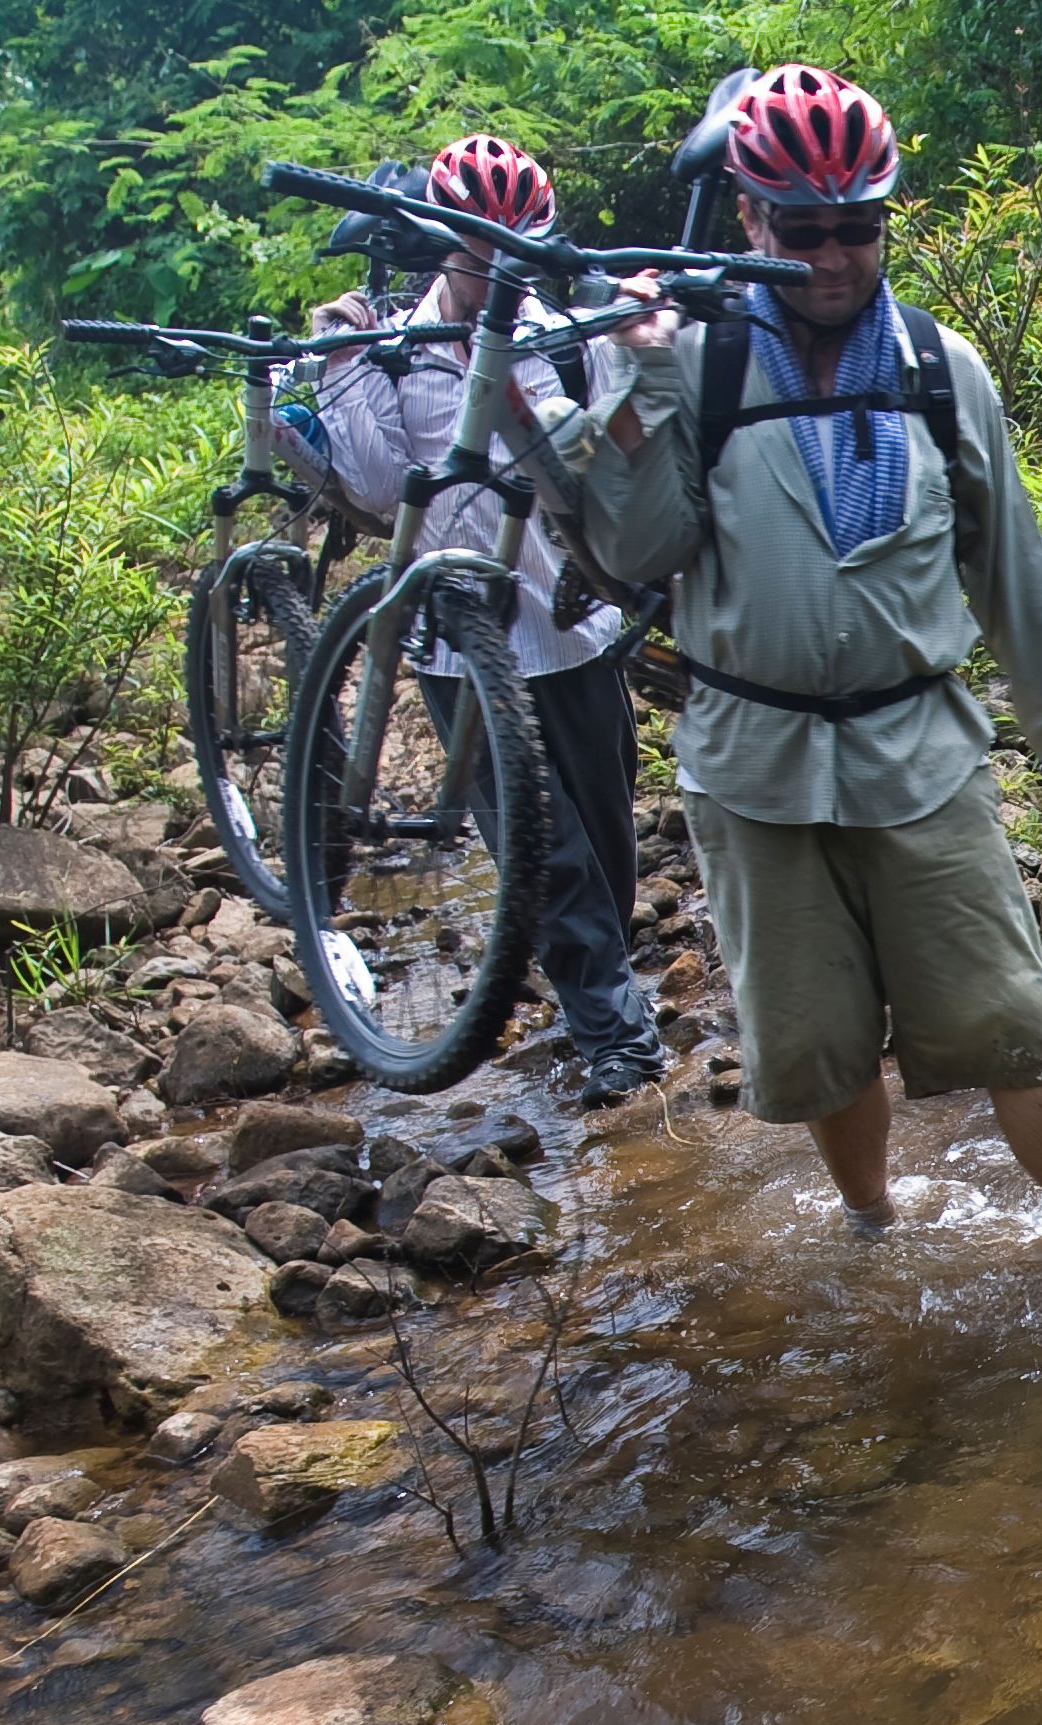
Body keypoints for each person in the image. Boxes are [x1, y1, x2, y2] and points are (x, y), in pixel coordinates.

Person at [579, 64, 1042, 1251]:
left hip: (918, 748)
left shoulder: (942, 369)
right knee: (816, 1038)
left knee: (1011, 1019)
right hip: (752, 761)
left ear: (885, 223)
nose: (832, 259)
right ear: (747, 218)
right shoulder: (697, 361)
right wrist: (633, 377)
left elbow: (1009, 568)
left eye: (857, 231)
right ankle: (872, 1228)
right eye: (802, 231)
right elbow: (636, 546)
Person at [309, 134, 671, 1109]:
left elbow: (608, 460)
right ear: (443, 244)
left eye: (518, 248)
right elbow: (383, 488)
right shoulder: (391, 345)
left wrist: (625, 341)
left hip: (571, 621)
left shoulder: (563, 332)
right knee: (539, 848)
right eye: (479, 251)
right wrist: (342, 366)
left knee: (604, 832)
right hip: (457, 642)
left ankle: (591, 993)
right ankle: (618, 1042)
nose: (497, 270)